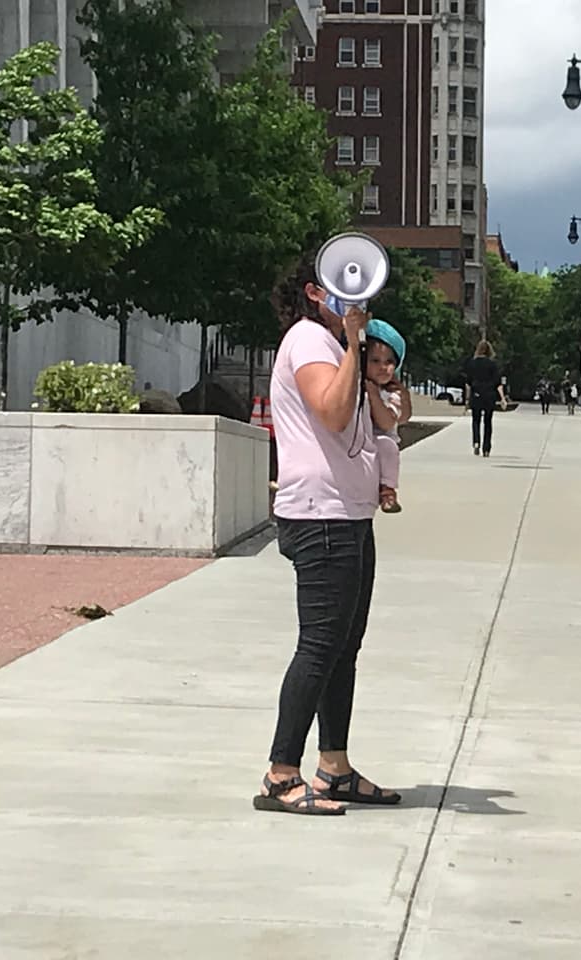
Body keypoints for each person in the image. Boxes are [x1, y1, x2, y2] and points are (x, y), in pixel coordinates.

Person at [253, 252, 402, 816]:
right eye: (342, 288)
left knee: (344, 648)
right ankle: (280, 774)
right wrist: (355, 344)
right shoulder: (309, 341)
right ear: (316, 293)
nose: (358, 301)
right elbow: (333, 414)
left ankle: (333, 767)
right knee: (319, 646)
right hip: (321, 516)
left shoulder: (338, 346)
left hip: (350, 515)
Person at [361, 317, 411, 514]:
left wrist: (374, 396)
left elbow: (387, 422)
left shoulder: (392, 393)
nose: (383, 367)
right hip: (357, 443)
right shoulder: (354, 385)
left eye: (389, 362)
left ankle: (388, 490)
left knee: (387, 446)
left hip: (379, 441)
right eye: (375, 361)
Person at [465, 339, 506, 457]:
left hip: (476, 394)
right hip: (489, 395)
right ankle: (486, 448)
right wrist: (502, 398)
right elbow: (498, 383)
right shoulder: (492, 365)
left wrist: (467, 399)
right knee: (488, 421)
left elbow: (468, 383)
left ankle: (476, 442)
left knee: (476, 420)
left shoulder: (472, 364)